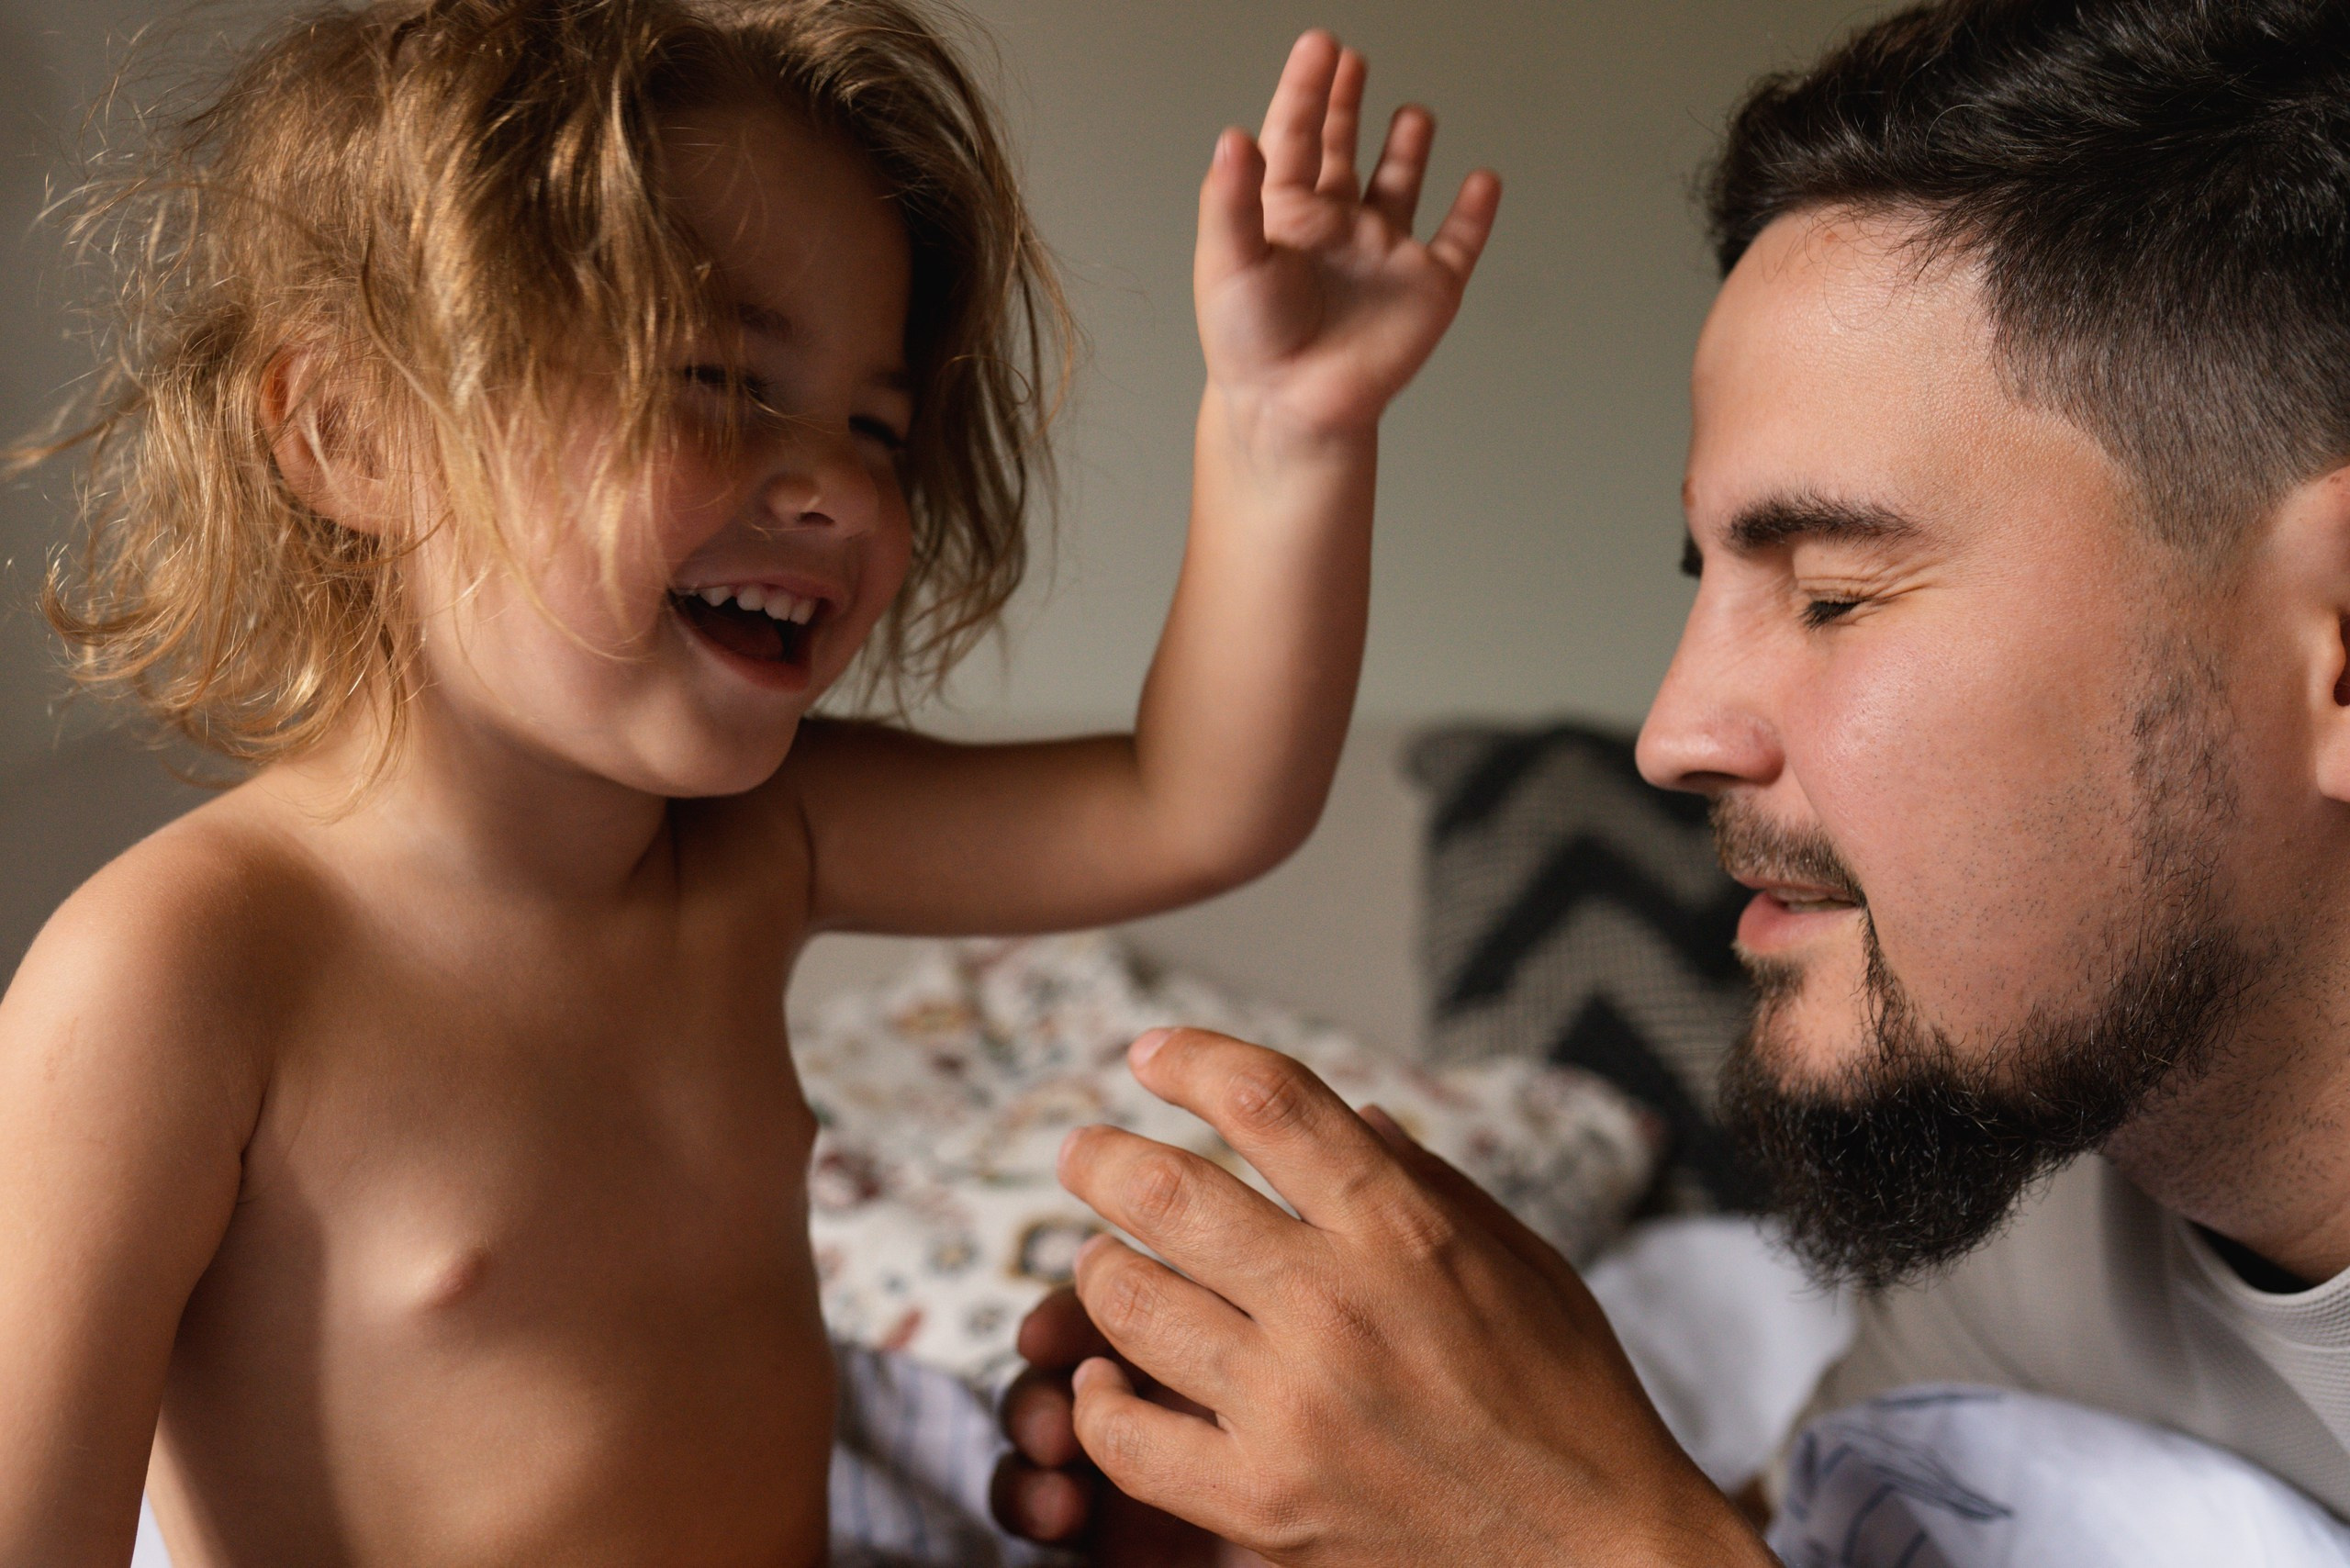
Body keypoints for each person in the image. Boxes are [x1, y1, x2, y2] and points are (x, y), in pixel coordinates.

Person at [0, 0, 1500, 1560]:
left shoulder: (746, 846)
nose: (843, 484)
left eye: (876, 423)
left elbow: (1199, 804)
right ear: (352, 428)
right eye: (716, 381)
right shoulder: (178, 976)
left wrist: (1285, 429)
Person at [992, 0, 2350, 1562]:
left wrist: (1589, 1540)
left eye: (1834, 592)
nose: (1672, 733)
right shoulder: (2037, 1197)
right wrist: (1355, 1516)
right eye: (1702, 578)